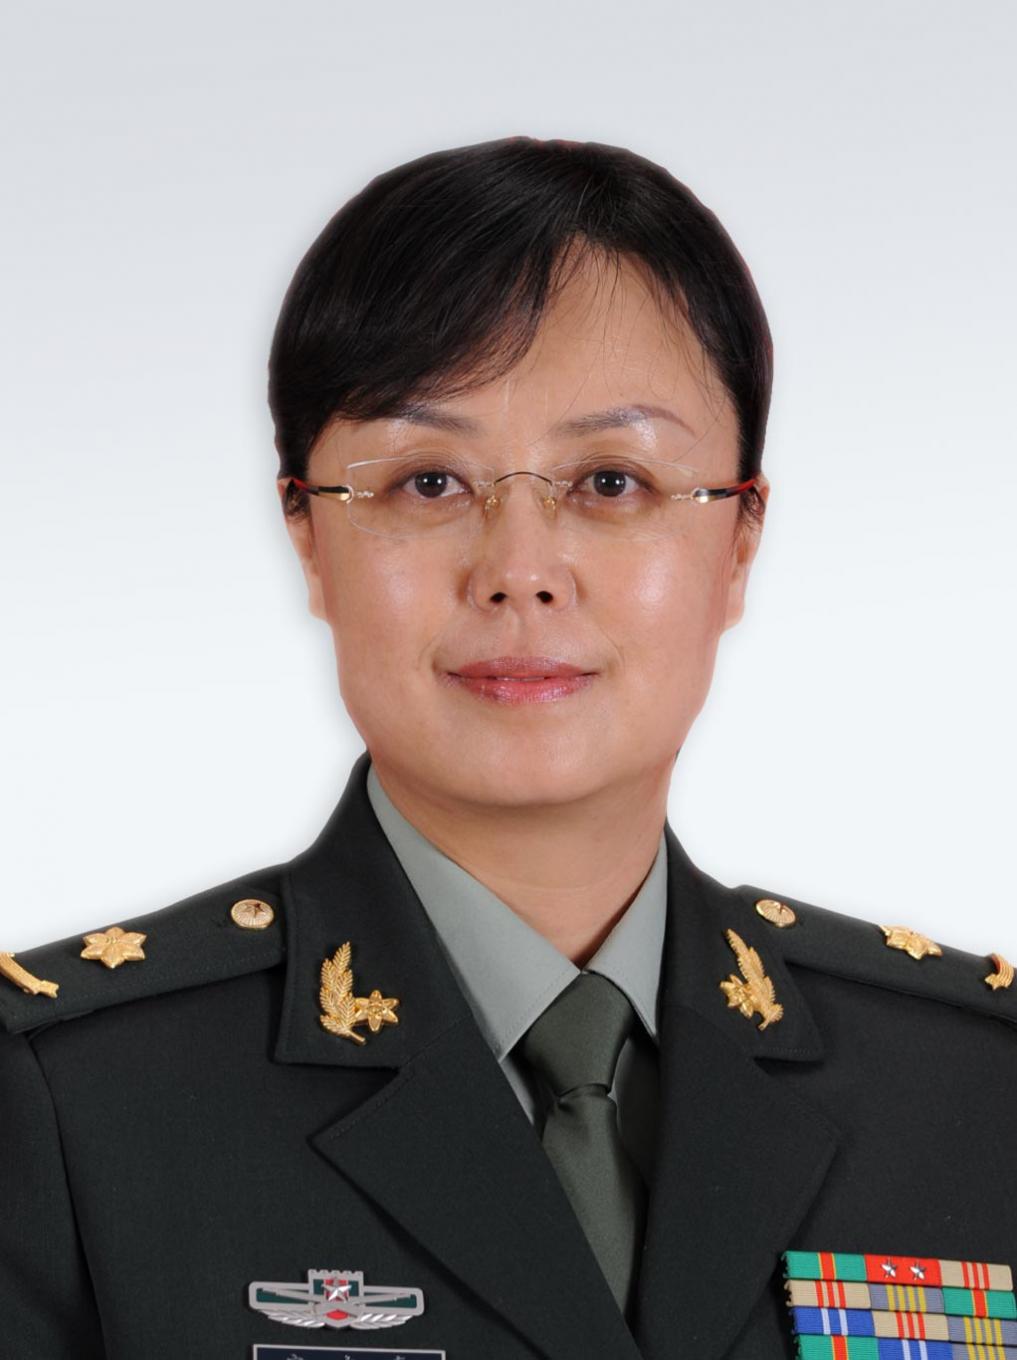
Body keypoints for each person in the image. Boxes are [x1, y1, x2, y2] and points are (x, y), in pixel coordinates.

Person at [1, 137, 1014, 1360]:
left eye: (611, 481)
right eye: (429, 482)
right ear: (309, 538)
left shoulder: (974, 1087)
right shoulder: (62, 1098)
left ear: (740, 542)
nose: (520, 572)